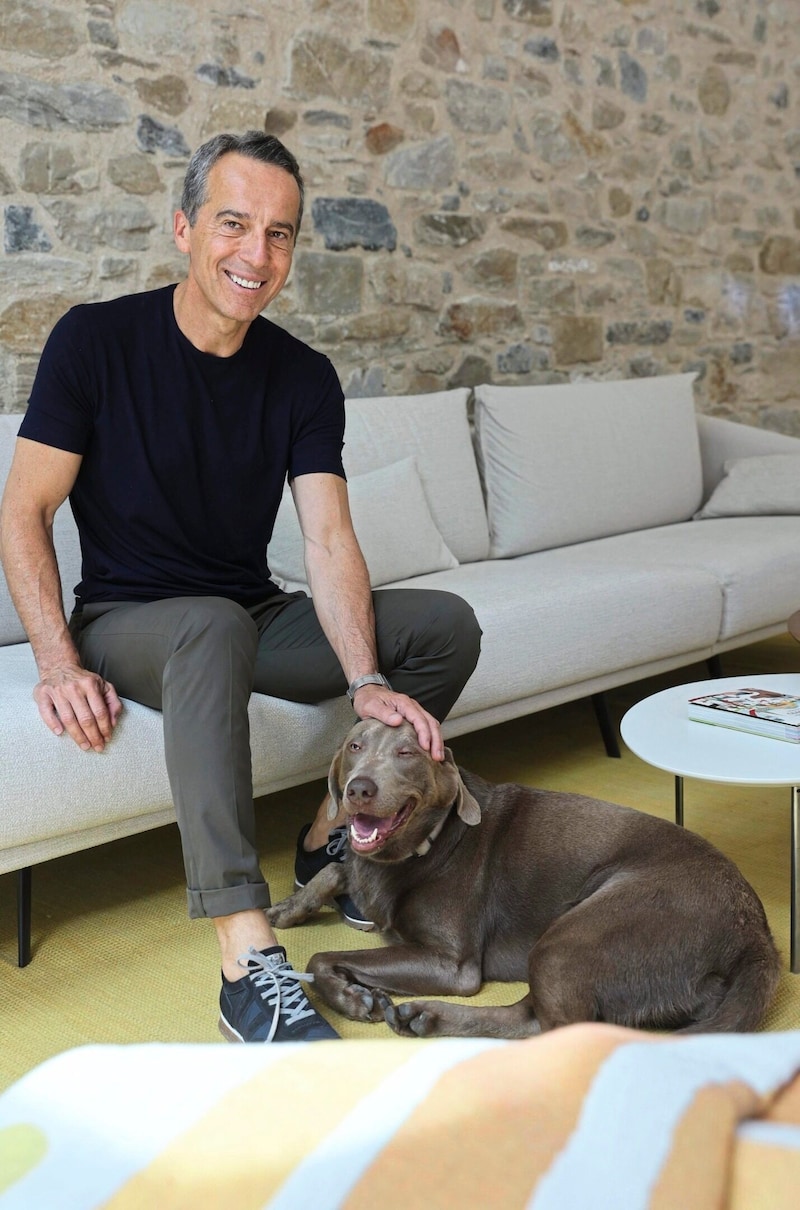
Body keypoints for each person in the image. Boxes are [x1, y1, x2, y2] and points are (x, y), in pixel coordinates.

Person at [0, 131, 481, 1044]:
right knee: (213, 626)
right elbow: (23, 512)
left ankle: (328, 836)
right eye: (233, 225)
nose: (255, 256)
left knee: (443, 627)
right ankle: (246, 959)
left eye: (280, 234)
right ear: (184, 229)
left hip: (247, 614)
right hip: (127, 620)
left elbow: (329, 537)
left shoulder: (302, 376)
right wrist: (58, 662)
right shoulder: (94, 342)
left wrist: (366, 678)